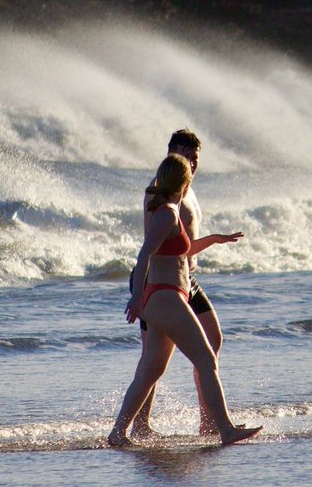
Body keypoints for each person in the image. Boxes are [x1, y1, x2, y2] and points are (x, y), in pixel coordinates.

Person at [108, 153, 261, 446]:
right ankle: (226, 429)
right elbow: (144, 255)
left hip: (165, 298)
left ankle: (118, 433)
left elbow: (180, 253)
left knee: (151, 370)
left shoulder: (168, 211)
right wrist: (136, 299)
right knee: (206, 359)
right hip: (166, 298)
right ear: (184, 181)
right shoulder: (166, 213)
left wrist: (213, 239)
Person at [127, 130, 231, 440]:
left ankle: (209, 422)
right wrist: (138, 294)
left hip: (186, 279)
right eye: (185, 157)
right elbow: (149, 248)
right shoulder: (163, 191)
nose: (191, 164)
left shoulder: (187, 189)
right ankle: (139, 425)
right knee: (153, 360)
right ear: (171, 155)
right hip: (160, 280)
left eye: (195, 158)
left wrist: (213, 240)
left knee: (212, 340)